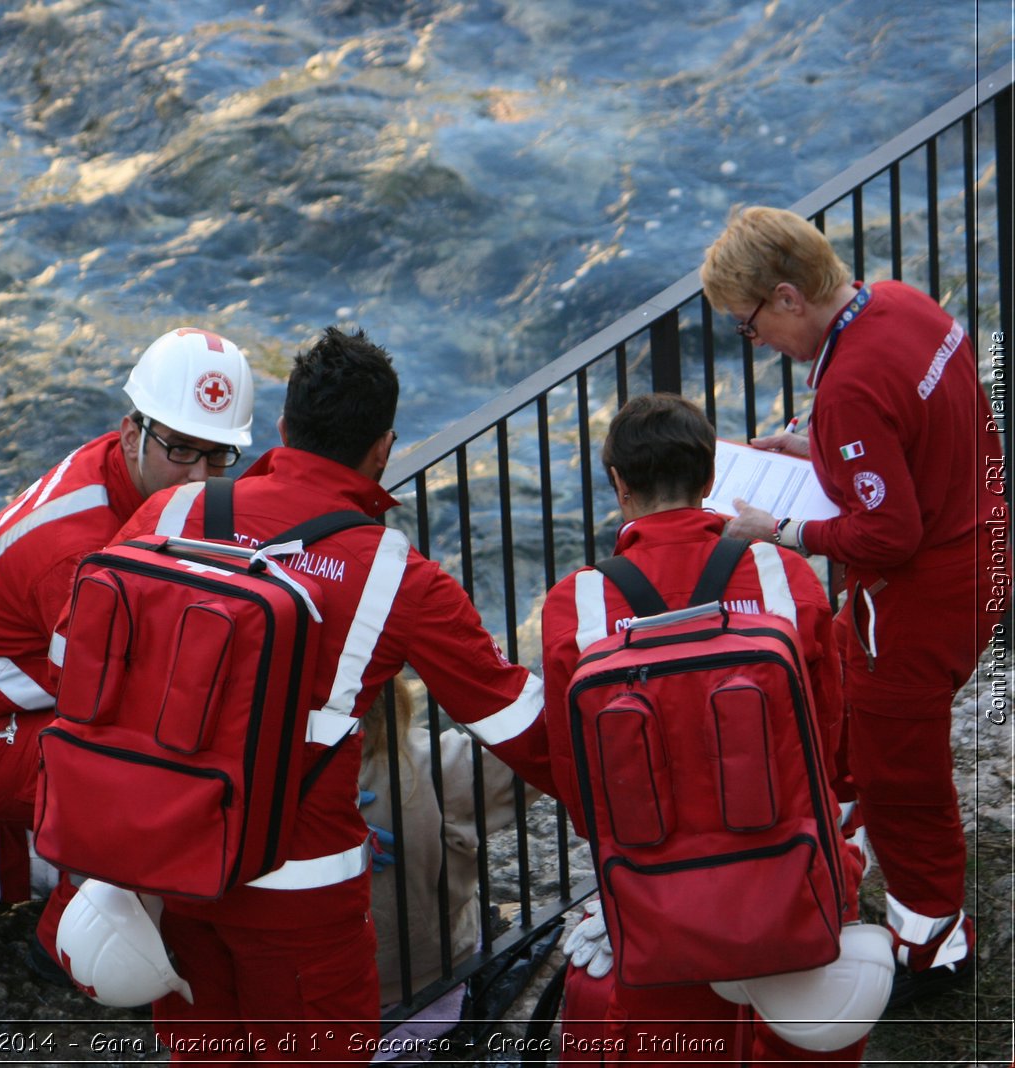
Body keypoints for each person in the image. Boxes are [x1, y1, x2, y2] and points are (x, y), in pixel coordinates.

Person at [79, 326, 559, 1063]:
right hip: (303, 886)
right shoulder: (397, 574)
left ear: (282, 428)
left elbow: (91, 659)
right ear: (383, 449)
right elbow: (525, 729)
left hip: (176, 855)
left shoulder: (168, 514)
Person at [704, 206, 1001, 1001]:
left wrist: (785, 530)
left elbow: (890, 535)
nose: (756, 340)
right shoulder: (905, 303)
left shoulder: (847, 390)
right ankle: (838, 816)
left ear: (790, 296)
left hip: (918, 599)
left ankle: (934, 946)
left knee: (905, 780)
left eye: (750, 322)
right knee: (837, 673)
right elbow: (928, 422)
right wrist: (825, 450)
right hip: (982, 551)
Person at [0, 327, 255, 943]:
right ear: (134, 434)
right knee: (134, 778)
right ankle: (60, 943)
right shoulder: (80, 556)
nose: (203, 474)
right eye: (183, 450)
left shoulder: (126, 477)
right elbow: (99, 713)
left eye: (219, 456)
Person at [539, 392, 869, 1063]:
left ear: (619, 486)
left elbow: (576, 775)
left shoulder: (577, 604)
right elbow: (829, 730)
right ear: (710, 480)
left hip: (653, 886)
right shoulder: (785, 575)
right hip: (787, 866)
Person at [357, 675, 531, 1008]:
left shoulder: (255, 793)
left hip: (313, 999)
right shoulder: (433, 763)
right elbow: (529, 757)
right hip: (436, 976)